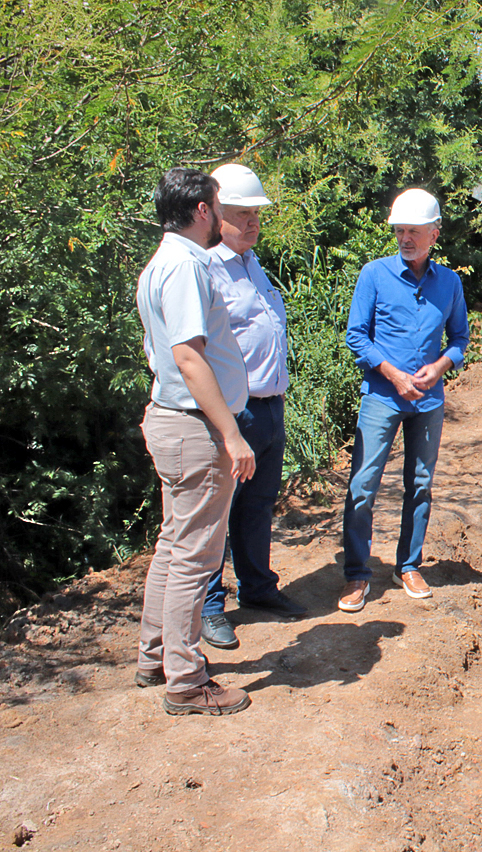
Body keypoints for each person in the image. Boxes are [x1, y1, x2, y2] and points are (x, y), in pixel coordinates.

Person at [134, 167, 254, 716]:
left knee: (172, 544)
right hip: (194, 429)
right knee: (194, 557)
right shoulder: (184, 268)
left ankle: (154, 655)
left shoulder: (159, 264)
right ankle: (185, 681)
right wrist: (230, 434)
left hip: (171, 419)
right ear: (204, 210)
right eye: (218, 204)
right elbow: (187, 355)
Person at [338, 188, 469, 613]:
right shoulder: (374, 275)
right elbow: (356, 336)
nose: (405, 238)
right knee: (362, 485)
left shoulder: (449, 283)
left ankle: (407, 565)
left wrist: (442, 366)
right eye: (400, 230)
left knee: (420, 484)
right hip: (381, 396)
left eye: (414, 230)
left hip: (428, 403)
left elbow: (461, 338)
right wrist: (392, 374)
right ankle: (357, 574)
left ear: (434, 234)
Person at [194, 164, 307, 650]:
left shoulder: (251, 263)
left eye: (256, 214)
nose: (251, 223)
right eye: (241, 215)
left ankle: (258, 589)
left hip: (269, 407)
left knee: (258, 505)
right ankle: (210, 605)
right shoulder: (205, 270)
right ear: (217, 215)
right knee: (220, 512)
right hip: (233, 413)